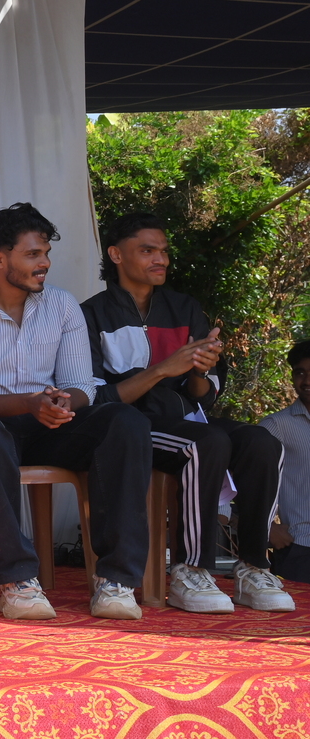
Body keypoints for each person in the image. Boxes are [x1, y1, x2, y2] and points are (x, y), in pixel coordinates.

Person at [0, 203, 153, 621]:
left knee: (124, 422)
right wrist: (27, 403)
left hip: (48, 426)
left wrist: (61, 403)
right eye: (33, 254)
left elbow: (83, 386)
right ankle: (17, 580)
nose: (45, 263)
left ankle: (116, 580)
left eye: (46, 253)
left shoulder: (62, 305)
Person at [82, 212, 291, 613]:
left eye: (163, 251)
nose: (160, 259)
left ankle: (253, 567)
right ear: (116, 254)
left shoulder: (184, 308)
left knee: (263, 443)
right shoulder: (90, 315)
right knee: (204, 443)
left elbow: (203, 396)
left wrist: (197, 369)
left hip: (186, 419)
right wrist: (163, 369)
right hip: (130, 426)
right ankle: (190, 570)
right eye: (148, 250)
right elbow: (97, 397)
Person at [262, 341, 310, 584]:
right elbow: (239, 481)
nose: (307, 381)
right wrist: (267, 527)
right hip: (301, 549)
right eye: (300, 373)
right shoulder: (276, 426)